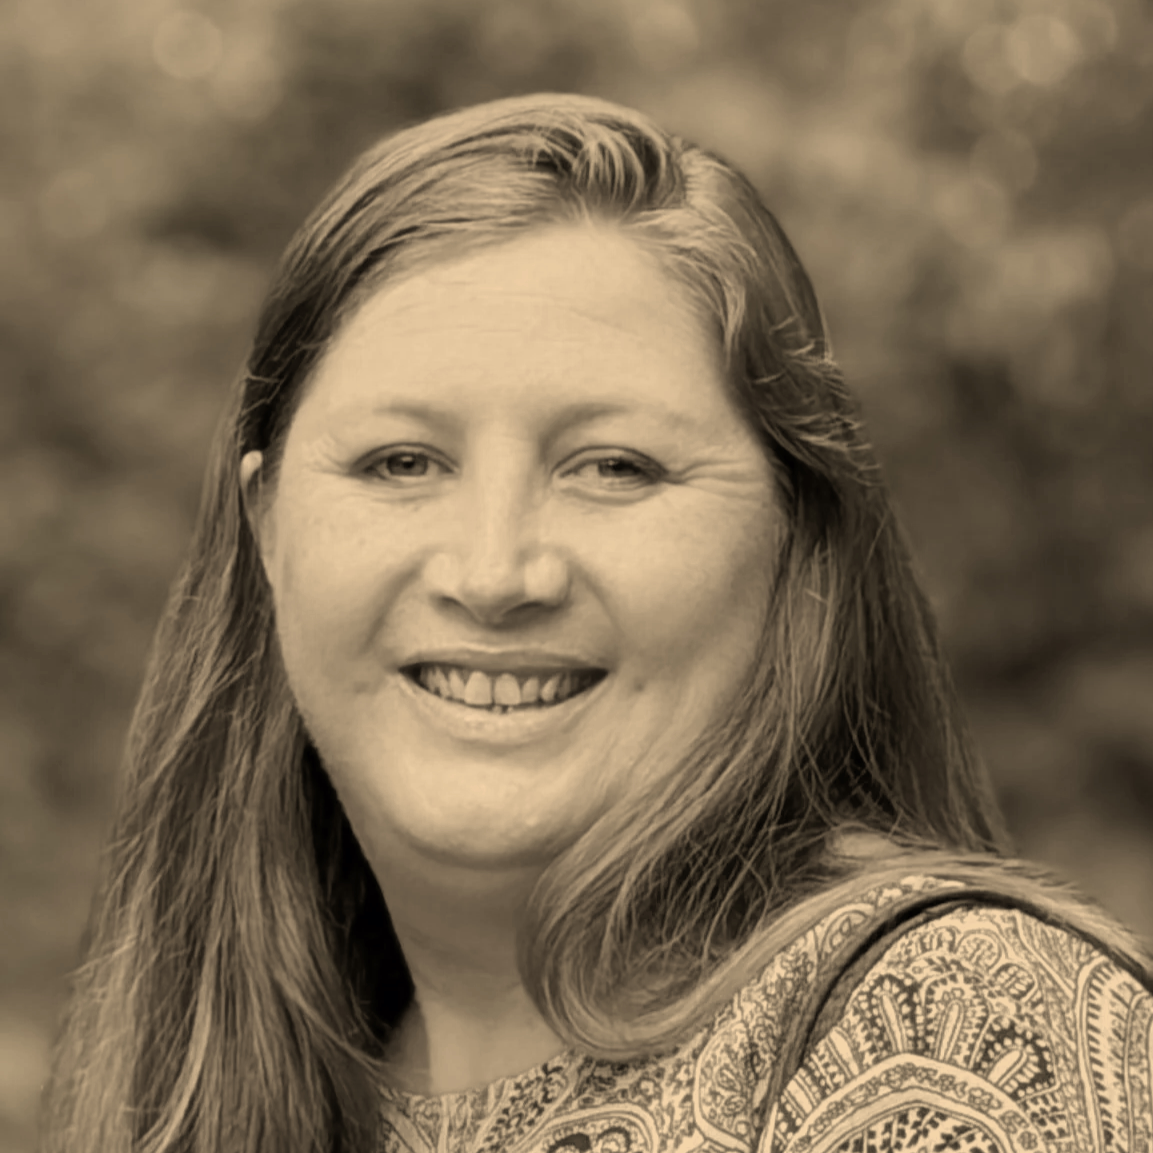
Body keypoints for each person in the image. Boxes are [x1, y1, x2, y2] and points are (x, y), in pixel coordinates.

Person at [40, 92, 1152, 1153]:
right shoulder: (214, 1088)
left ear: (795, 538)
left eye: (613, 466)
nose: (493, 571)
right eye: (400, 462)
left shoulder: (952, 1026)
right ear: (269, 529)